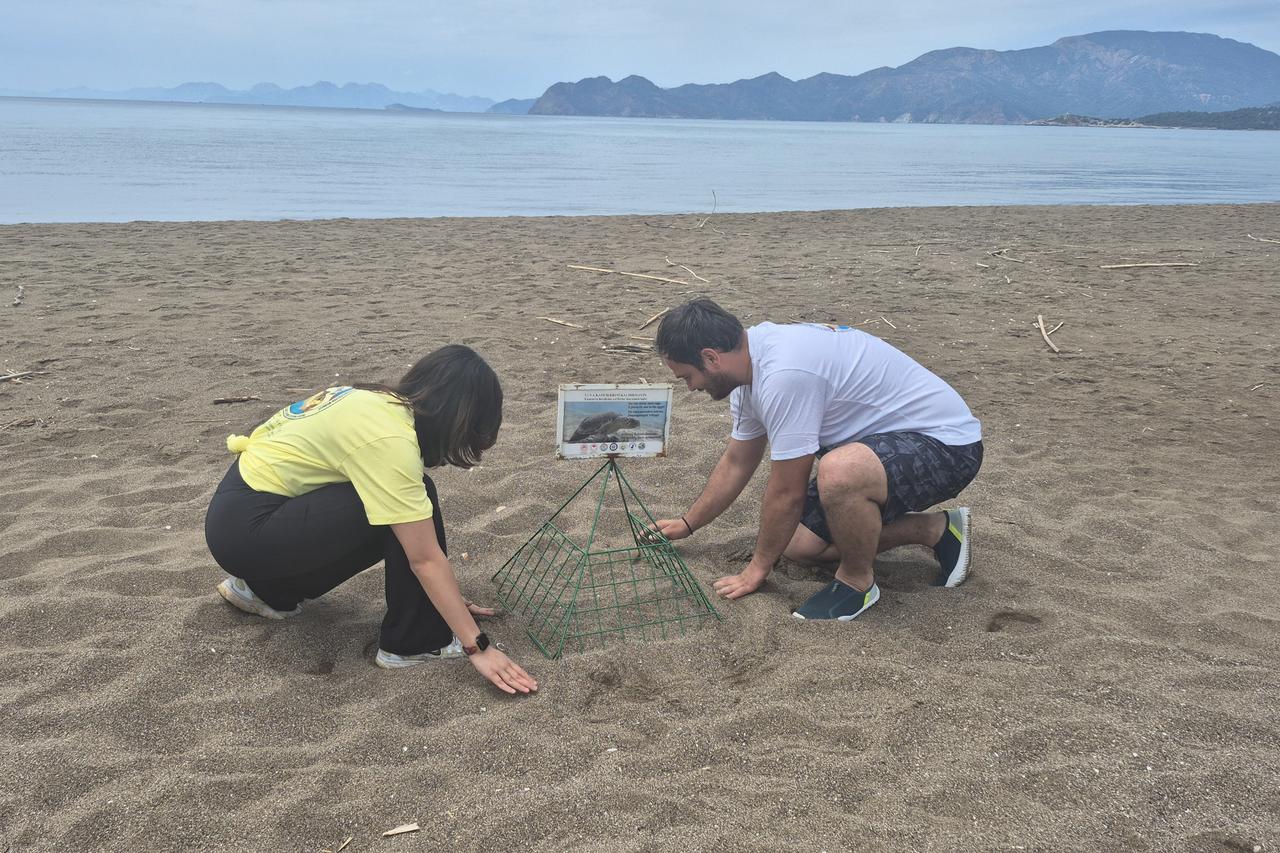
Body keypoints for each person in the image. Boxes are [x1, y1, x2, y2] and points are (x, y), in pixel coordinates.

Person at [203, 345, 537, 694]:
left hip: (238, 510)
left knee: (399, 505)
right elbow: (423, 559)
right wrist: (477, 646)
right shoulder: (390, 439)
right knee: (410, 502)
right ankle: (415, 641)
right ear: (459, 419)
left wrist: (443, 597)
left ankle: (265, 591)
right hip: (251, 529)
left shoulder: (374, 400)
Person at [652, 299, 983, 621]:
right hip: (881, 446)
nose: (690, 388)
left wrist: (756, 570)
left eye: (686, 377)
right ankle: (937, 530)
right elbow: (738, 460)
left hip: (948, 446)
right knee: (798, 545)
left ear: (711, 358)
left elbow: (788, 492)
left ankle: (856, 582)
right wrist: (688, 523)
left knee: (839, 472)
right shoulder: (747, 373)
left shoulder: (784, 374)